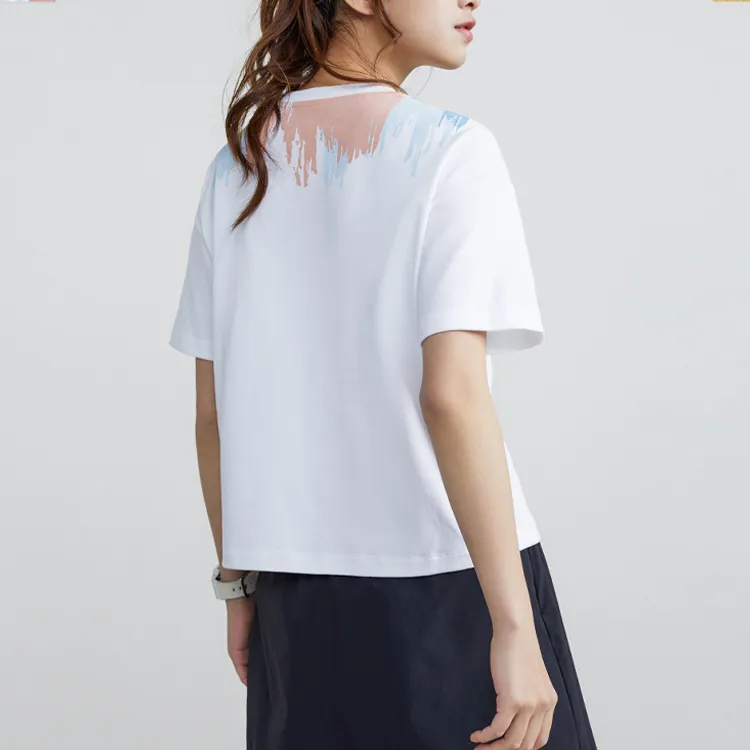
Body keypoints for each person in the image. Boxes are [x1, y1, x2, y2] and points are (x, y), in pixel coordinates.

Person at [168, 1, 598, 748]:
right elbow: (452, 396)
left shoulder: (236, 166)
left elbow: (213, 416)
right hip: (450, 586)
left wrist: (238, 586)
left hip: (294, 601)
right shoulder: (452, 150)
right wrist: (512, 625)